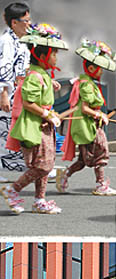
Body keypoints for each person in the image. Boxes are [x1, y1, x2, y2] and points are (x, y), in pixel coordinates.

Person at [0, 22, 66, 214]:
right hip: (34, 126)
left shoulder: (41, 74)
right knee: (43, 165)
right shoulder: (34, 76)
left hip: (43, 125)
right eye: (53, 53)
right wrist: (47, 114)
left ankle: (39, 200)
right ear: (42, 55)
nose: (56, 57)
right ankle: (13, 189)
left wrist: (49, 84)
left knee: (46, 162)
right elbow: (29, 103)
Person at [58, 38, 116, 197]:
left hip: (90, 125)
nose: (101, 72)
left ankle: (65, 174)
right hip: (87, 125)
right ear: (91, 67)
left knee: (84, 160)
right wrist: (99, 114)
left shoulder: (87, 82)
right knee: (101, 153)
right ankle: (100, 185)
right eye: (99, 69)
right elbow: (85, 108)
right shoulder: (86, 84)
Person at [0, 2, 30, 176]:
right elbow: (3, 67)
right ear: (14, 22)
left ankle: (27, 165)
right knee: (5, 131)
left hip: (18, 91)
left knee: (15, 130)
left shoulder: (22, 41)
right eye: (25, 21)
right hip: (8, 92)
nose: (28, 24)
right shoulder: (6, 41)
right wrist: (3, 93)